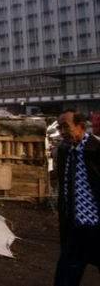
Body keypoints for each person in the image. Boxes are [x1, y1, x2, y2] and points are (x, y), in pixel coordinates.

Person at [54, 110, 100, 285]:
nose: (62, 132)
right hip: (74, 226)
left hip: (96, 227)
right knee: (65, 276)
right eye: (60, 128)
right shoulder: (65, 151)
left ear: (81, 126)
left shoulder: (96, 150)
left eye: (66, 127)